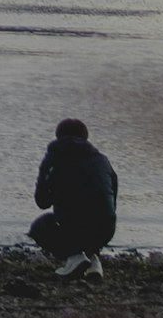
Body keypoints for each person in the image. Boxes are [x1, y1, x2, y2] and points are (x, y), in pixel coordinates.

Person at [30, 117, 119, 273]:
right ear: (86, 138)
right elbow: (112, 200)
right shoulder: (102, 160)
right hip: (106, 230)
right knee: (97, 214)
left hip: (74, 228)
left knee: (40, 227)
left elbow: (42, 201)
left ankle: (75, 257)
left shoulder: (54, 157)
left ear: (58, 137)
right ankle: (93, 261)